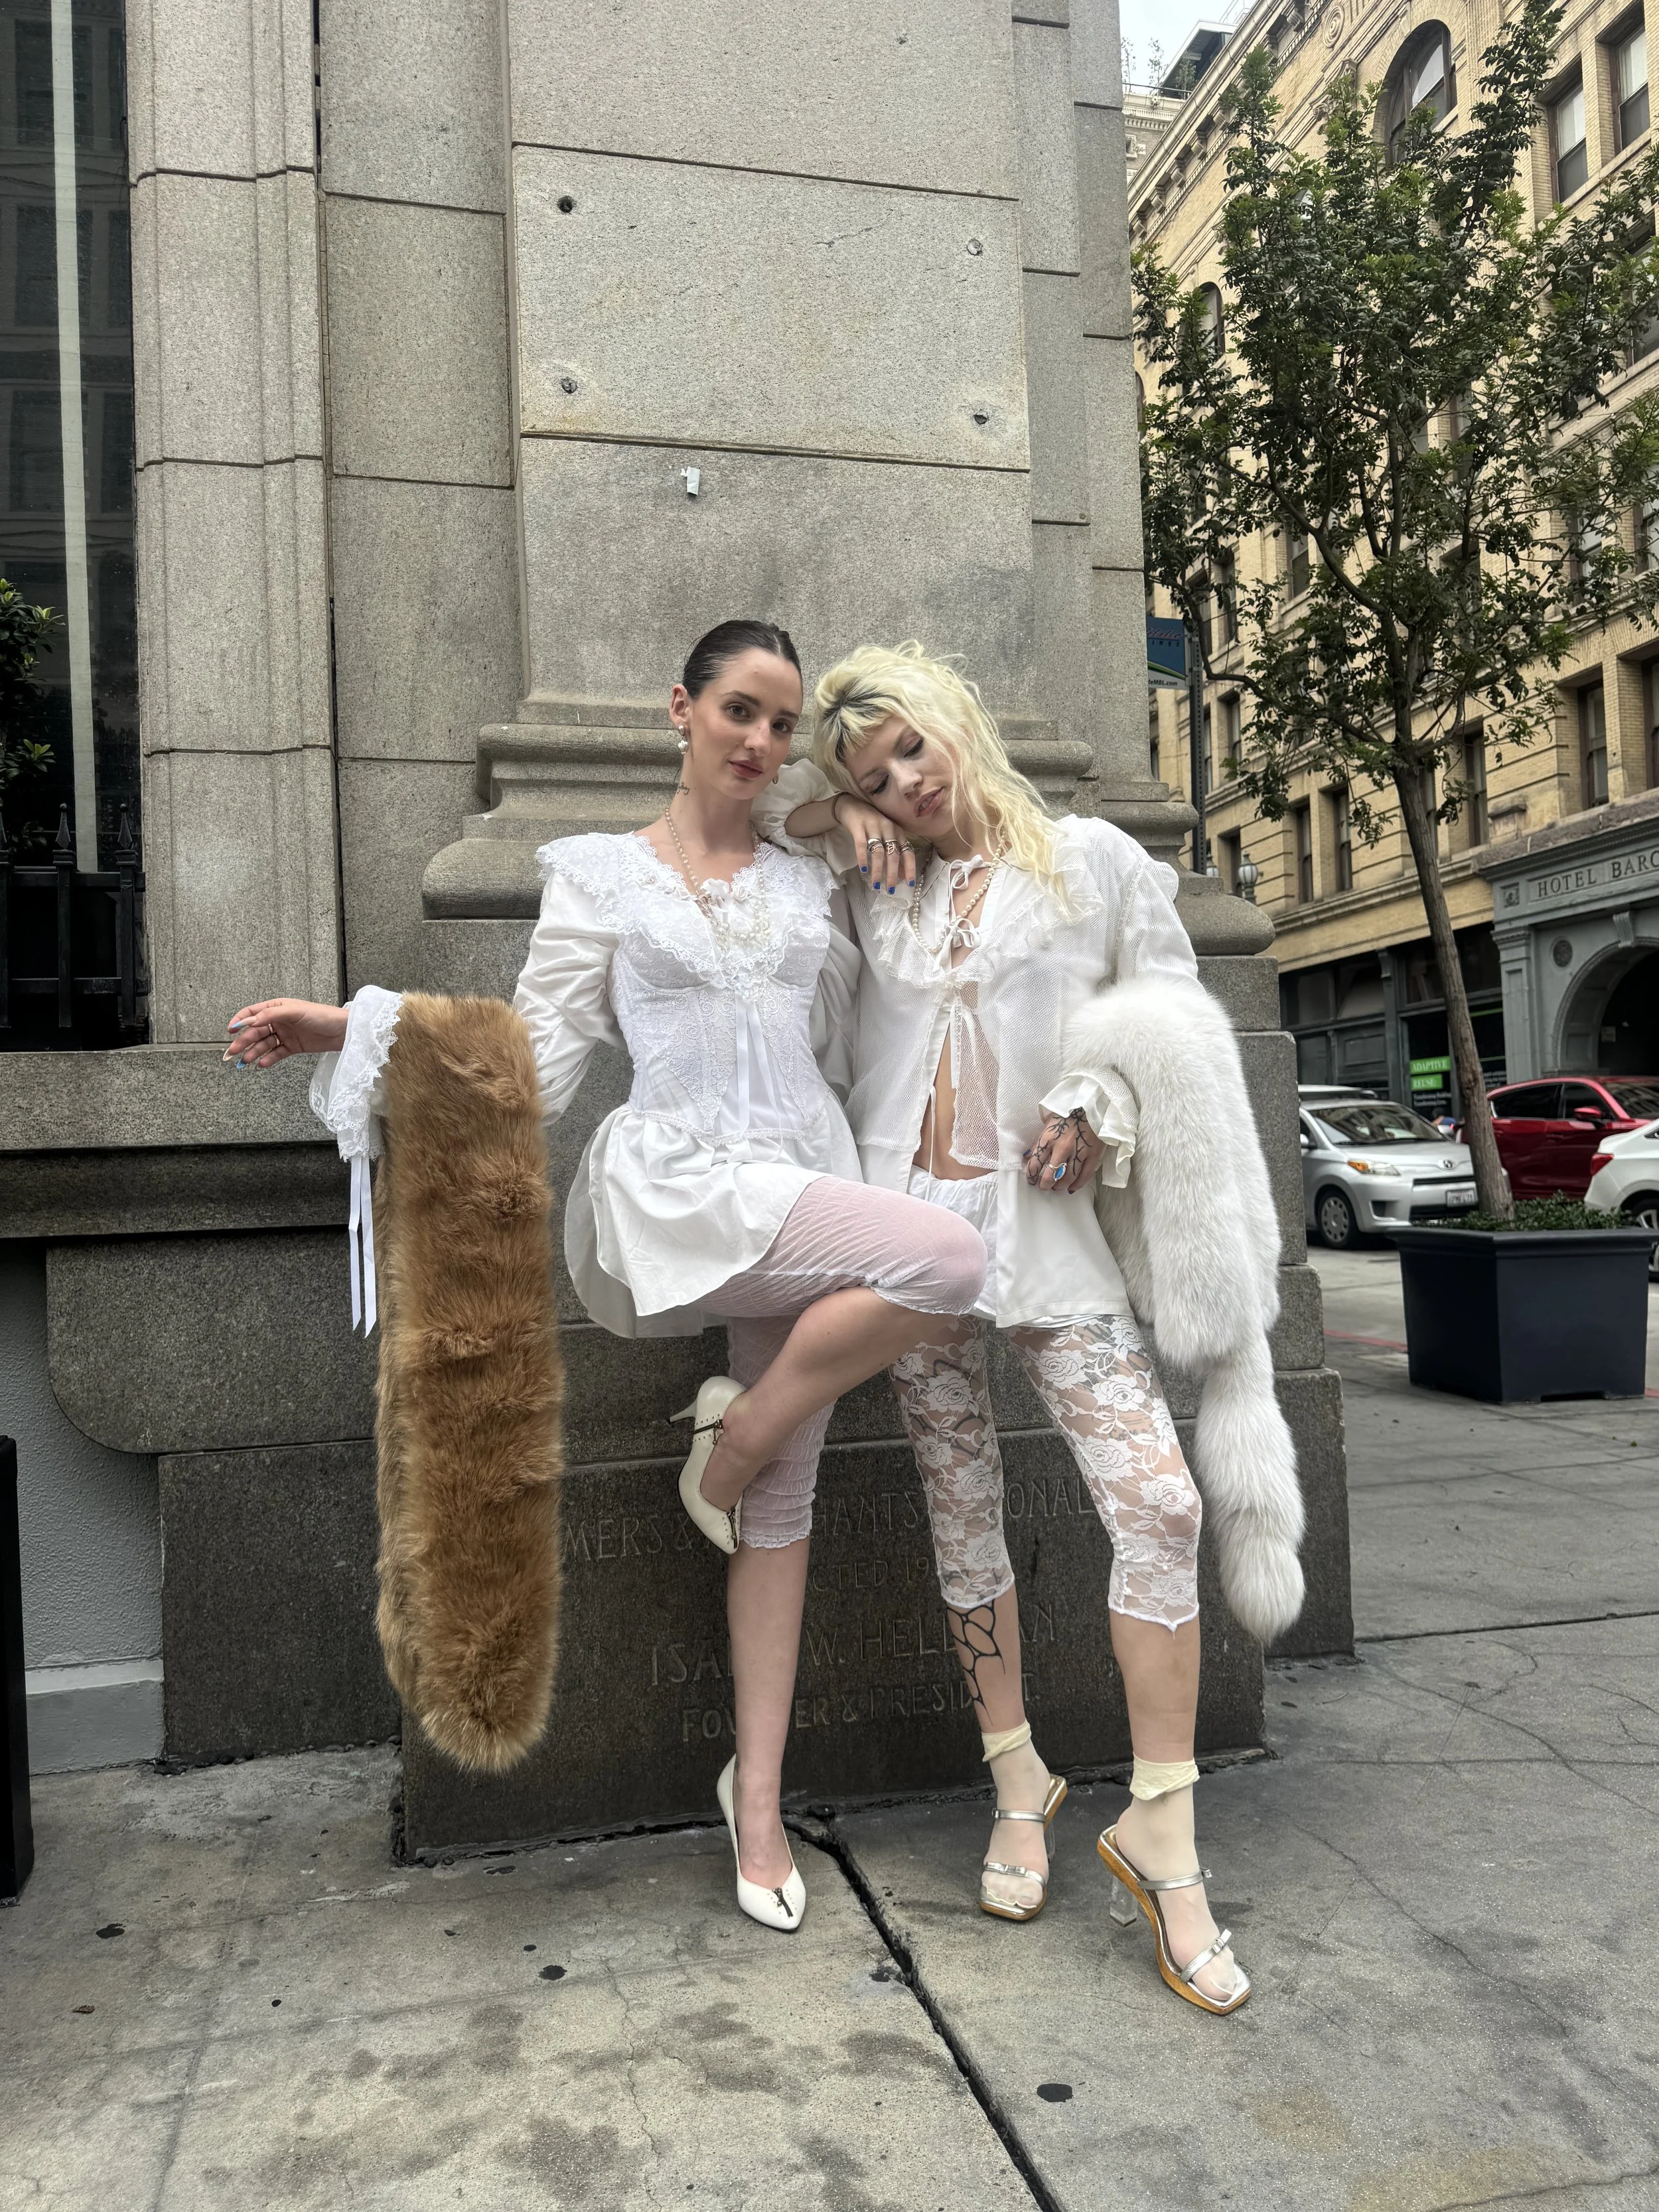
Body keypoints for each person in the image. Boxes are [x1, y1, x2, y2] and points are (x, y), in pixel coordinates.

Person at [222, 619, 987, 1935]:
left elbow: (906, 879)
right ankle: (731, 1441)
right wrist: (358, 1026)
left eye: (778, 721)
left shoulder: (812, 868)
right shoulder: (596, 878)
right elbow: (535, 1055)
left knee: (783, 1508)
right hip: (688, 1187)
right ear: (678, 711)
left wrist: (852, 820)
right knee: (950, 1258)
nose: (757, 739)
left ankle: (754, 1801)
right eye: (737, 710)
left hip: (802, 1174)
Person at [750, 641, 1303, 2015]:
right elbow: (747, 813)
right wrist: (835, 813)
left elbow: (1170, 1012)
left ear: (957, 723)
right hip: (908, 1247)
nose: (906, 782)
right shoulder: (869, 878)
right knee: (959, 1508)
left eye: (911, 752)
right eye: (876, 769)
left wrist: (1097, 1100)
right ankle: (1018, 1776)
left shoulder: (1097, 860)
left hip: (1050, 1241)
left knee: (1159, 1504)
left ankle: (1158, 1823)